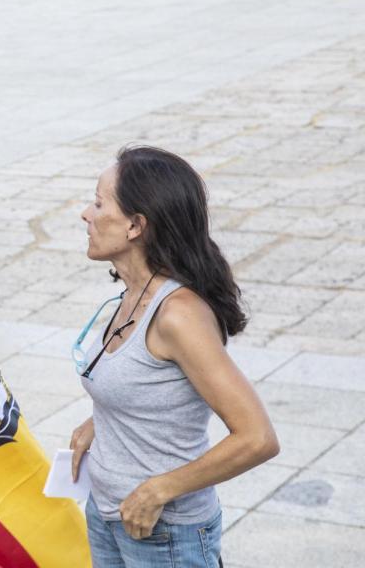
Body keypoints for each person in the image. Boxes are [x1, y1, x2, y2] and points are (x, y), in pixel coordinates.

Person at [69, 146, 280, 567]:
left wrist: (159, 489)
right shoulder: (132, 295)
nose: (85, 215)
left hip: (163, 532)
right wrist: (104, 418)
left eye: (98, 202)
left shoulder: (179, 315)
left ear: (135, 225)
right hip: (110, 516)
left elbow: (258, 438)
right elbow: (151, 385)